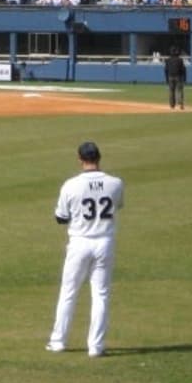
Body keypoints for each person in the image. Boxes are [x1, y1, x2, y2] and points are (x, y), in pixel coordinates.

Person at [47, 141, 125, 358]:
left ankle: (58, 342)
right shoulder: (115, 183)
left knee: (68, 292)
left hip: (79, 242)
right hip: (105, 242)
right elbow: (117, 206)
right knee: (101, 294)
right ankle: (96, 347)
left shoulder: (71, 185)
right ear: (99, 158)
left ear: (80, 159)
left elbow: (61, 218)